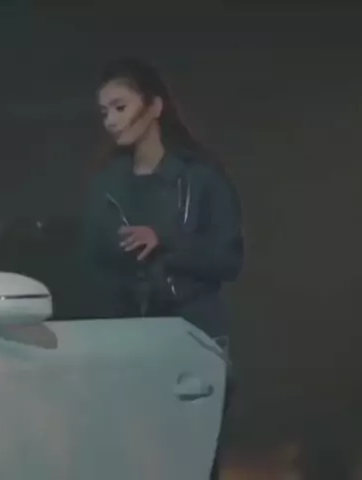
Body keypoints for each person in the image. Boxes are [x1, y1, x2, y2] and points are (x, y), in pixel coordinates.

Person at [81, 57, 244, 479]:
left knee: (197, 460)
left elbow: (228, 259)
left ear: (154, 106)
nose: (111, 121)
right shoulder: (106, 187)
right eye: (104, 112)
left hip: (195, 336)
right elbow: (93, 267)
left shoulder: (200, 178)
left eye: (120, 107)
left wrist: (166, 241)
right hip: (132, 342)